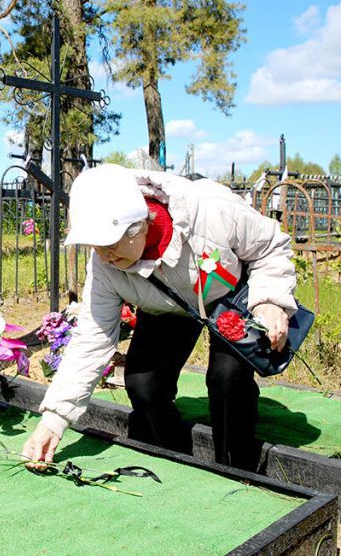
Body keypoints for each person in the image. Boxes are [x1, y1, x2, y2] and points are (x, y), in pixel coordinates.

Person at [22, 164, 295, 471]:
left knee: (227, 378)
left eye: (110, 245)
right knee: (143, 383)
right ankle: (174, 460)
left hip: (225, 294)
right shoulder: (105, 265)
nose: (105, 257)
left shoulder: (211, 212)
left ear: (139, 225)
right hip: (165, 304)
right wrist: (54, 420)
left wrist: (270, 302)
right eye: (96, 247)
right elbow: (92, 338)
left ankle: (236, 469)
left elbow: (271, 247)